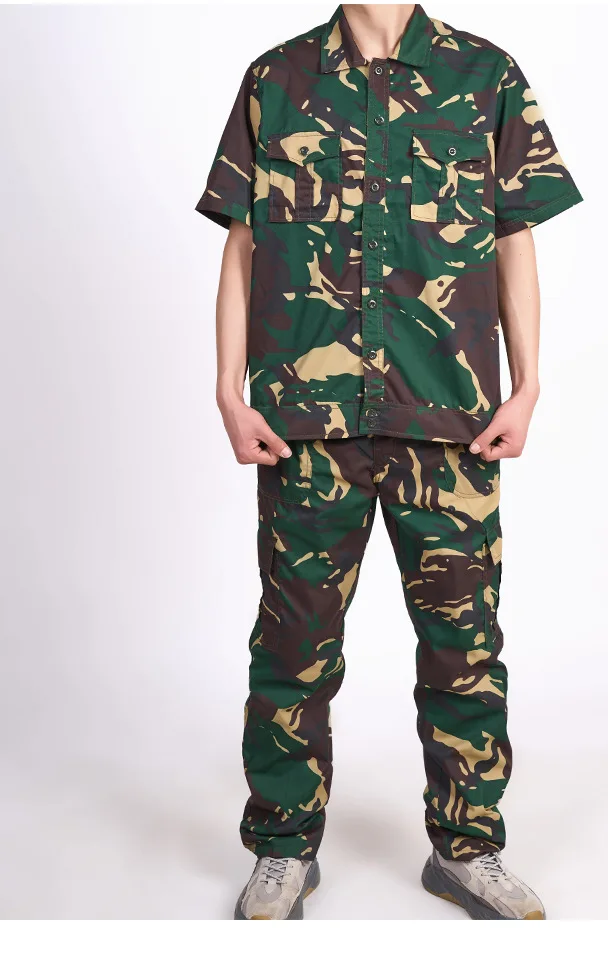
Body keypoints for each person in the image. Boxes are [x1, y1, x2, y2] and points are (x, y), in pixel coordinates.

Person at [196, 2, 581, 921]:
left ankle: (468, 849)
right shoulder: (276, 79)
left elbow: (514, 235)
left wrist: (528, 385)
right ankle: (283, 849)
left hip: (449, 417)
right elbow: (243, 243)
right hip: (307, 421)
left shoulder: (484, 76)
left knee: (464, 647)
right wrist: (228, 389)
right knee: (293, 646)